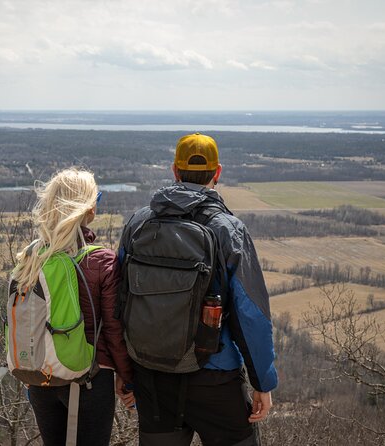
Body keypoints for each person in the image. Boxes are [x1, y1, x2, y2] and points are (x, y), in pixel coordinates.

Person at [118, 133, 277, 446]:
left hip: (151, 374)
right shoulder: (228, 230)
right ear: (217, 173)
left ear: (174, 171)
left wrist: (126, 373)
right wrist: (263, 382)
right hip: (213, 375)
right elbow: (251, 315)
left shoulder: (138, 223)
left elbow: (119, 302)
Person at [12, 168, 134, 446]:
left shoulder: (31, 257)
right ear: (89, 208)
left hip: (41, 377)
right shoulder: (101, 261)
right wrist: (128, 379)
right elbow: (114, 331)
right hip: (90, 377)